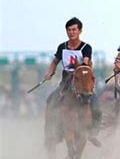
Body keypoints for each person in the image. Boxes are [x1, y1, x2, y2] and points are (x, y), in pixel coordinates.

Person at [44, 17, 102, 147]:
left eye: (74, 29)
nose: (71, 32)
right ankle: (51, 132)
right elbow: (55, 62)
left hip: (82, 79)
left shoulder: (86, 47)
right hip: (66, 81)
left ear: (80, 31)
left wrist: (80, 66)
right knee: (51, 100)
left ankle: (92, 132)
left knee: (96, 105)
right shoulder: (62, 47)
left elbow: (86, 62)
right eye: (69, 30)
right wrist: (50, 72)